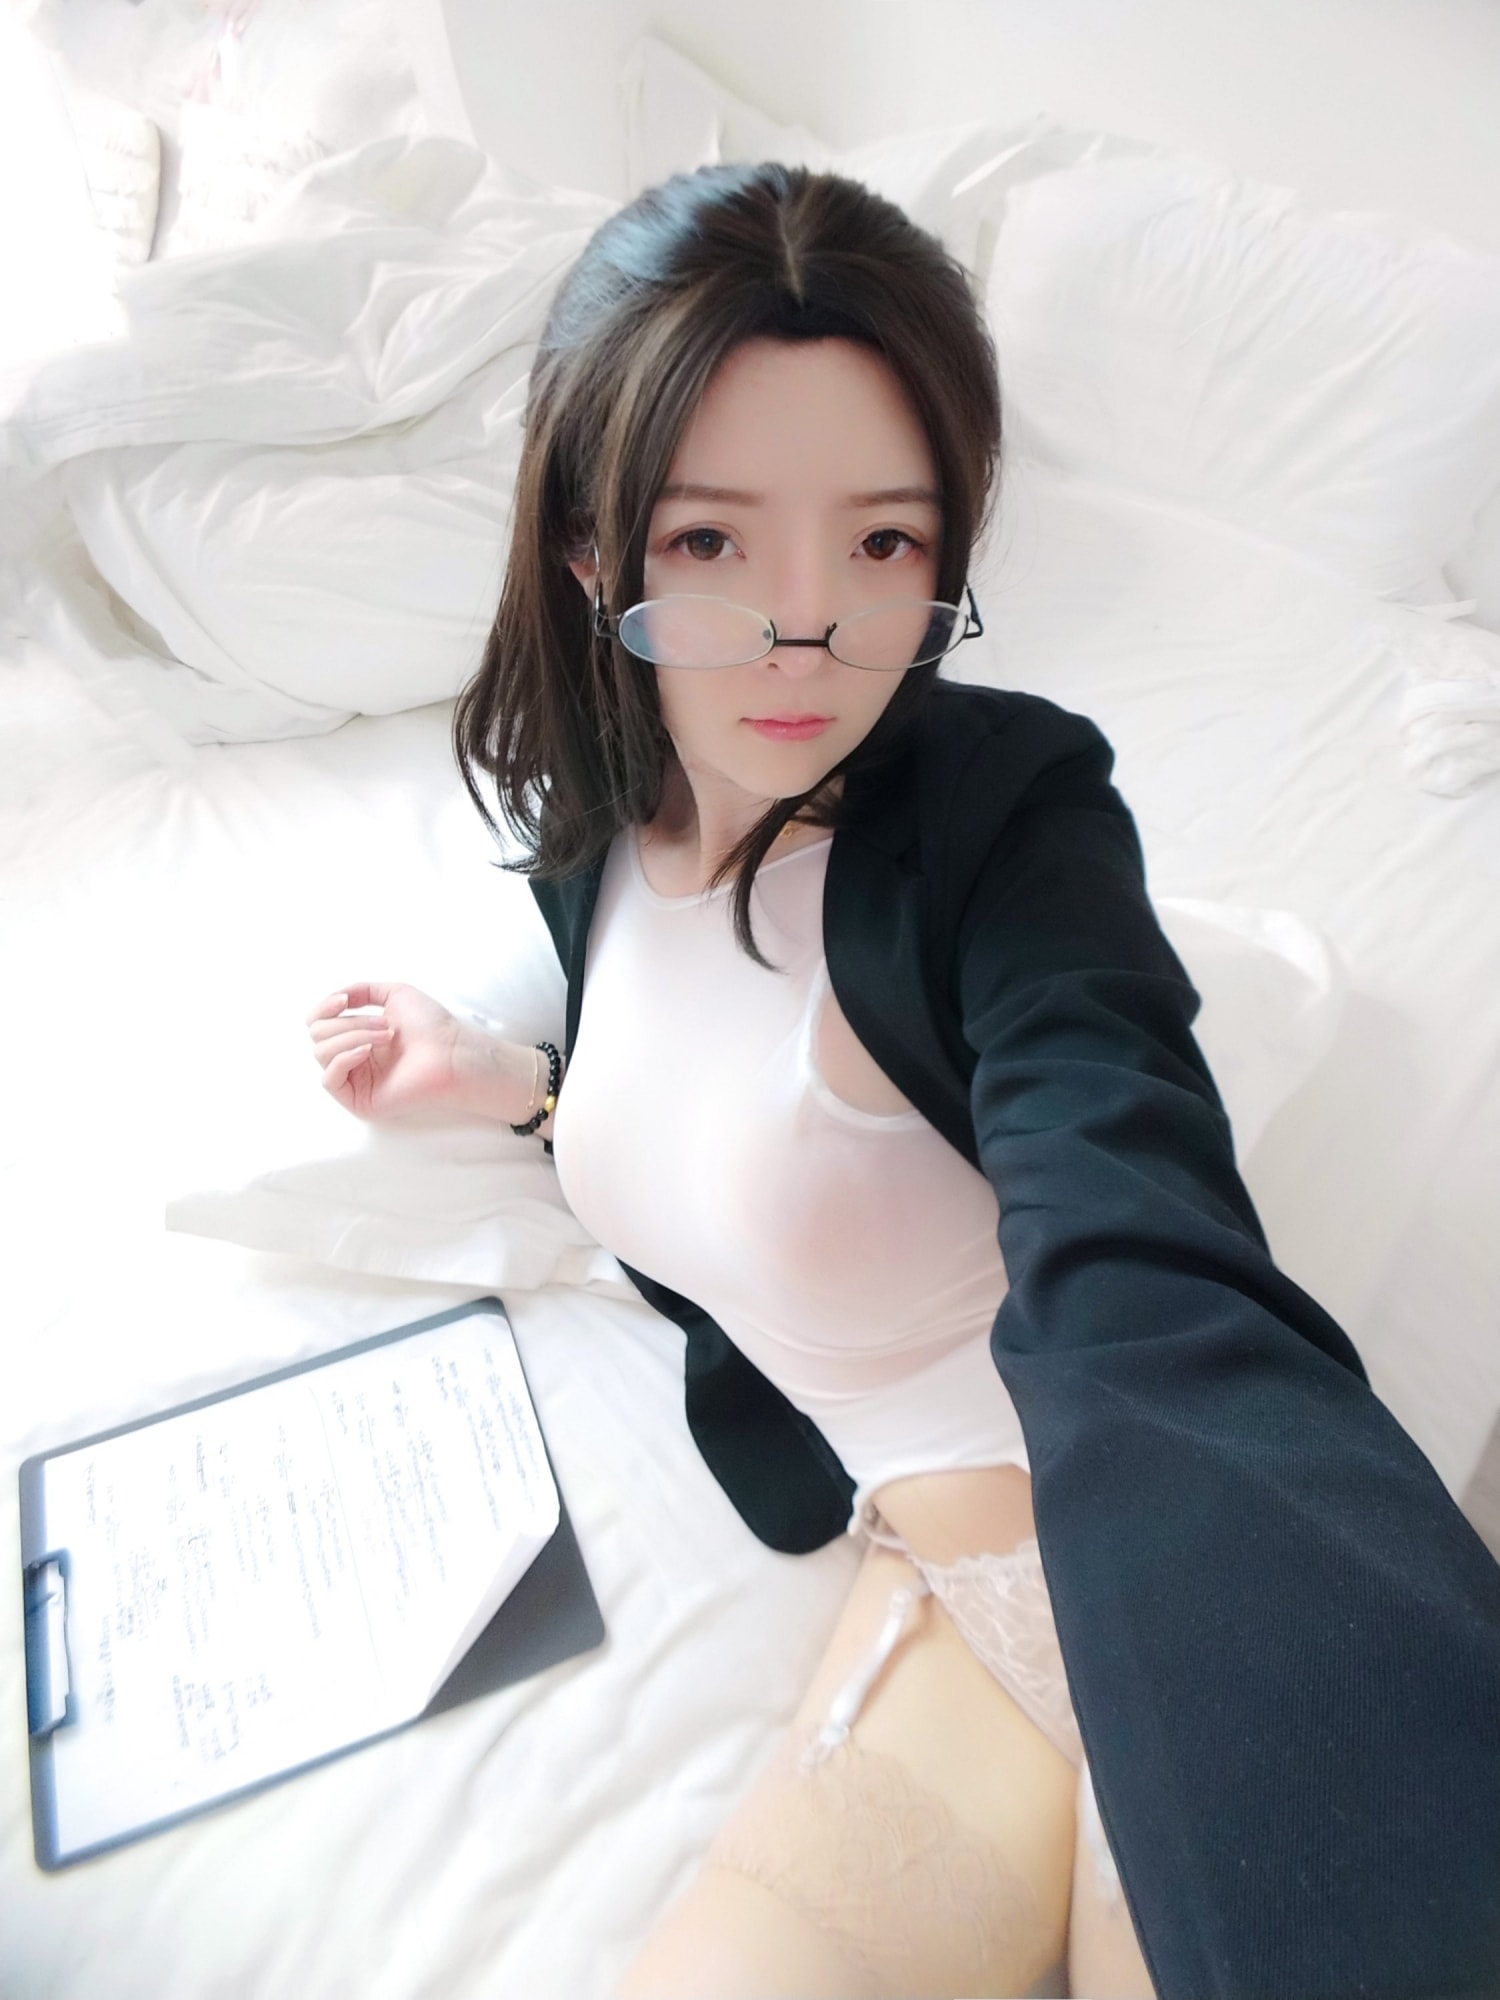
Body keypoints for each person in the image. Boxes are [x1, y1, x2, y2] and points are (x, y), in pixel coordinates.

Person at [307, 165, 1500, 2000]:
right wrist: (522, 1089)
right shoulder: (602, 841)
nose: (808, 632)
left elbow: (1141, 1238)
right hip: (934, 1591)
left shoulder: (1013, 828)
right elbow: (739, 1126)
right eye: (713, 544)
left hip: (1168, 1599)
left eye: (880, 545)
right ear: (592, 554)